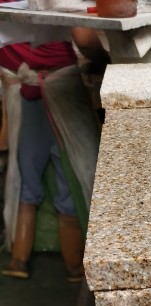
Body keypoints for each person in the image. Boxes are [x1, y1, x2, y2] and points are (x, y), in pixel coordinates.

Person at [0, 26, 103, 281]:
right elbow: (84, 39)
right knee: (70, 179)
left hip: (20, 88)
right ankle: (75, 266)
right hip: (60, 85)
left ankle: (19, 259)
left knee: (26, 178)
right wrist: (105, 61)